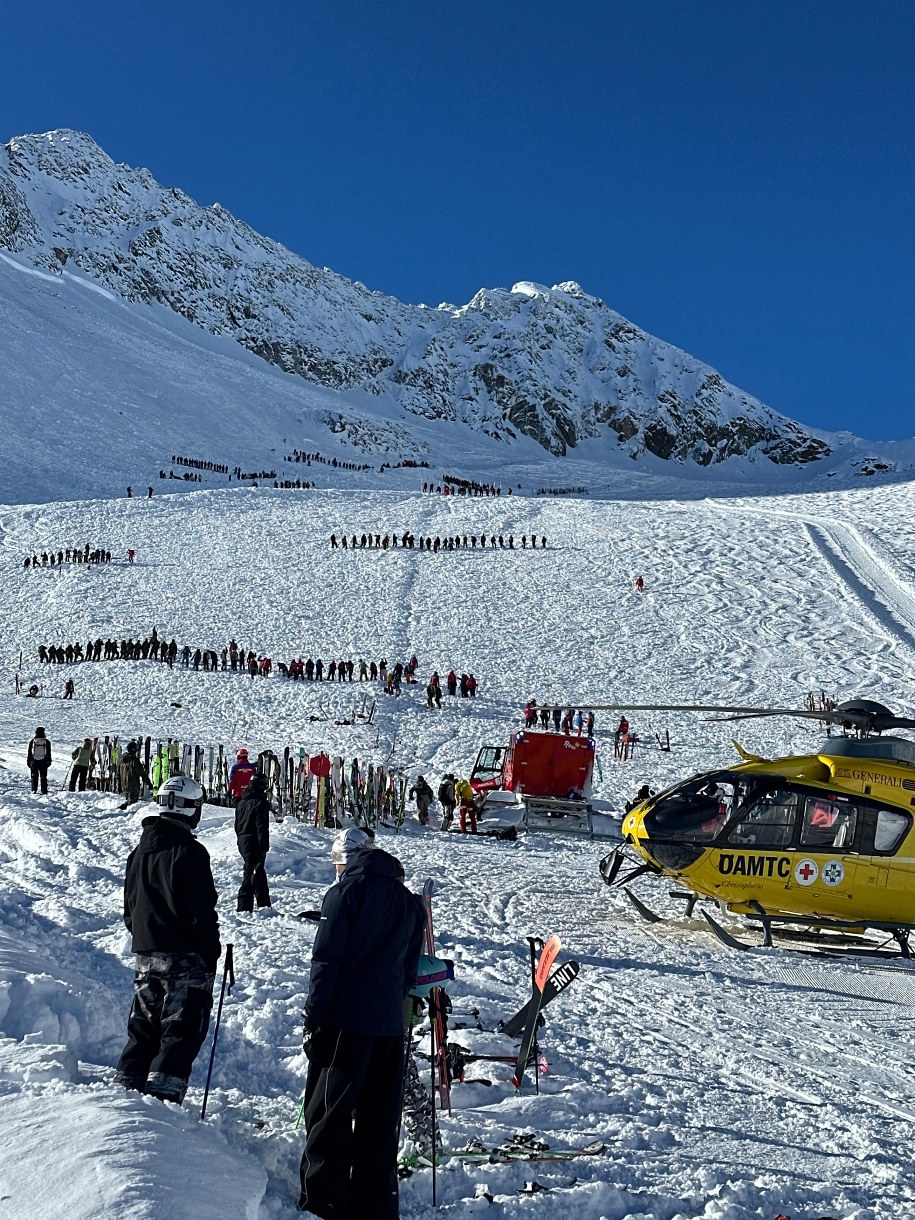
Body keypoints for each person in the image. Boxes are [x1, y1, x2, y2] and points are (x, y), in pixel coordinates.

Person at [298, 828, 425, 1220]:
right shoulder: (410, 903)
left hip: (345, 1024)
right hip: (388, 1024)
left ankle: (325, 1200)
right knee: (379, 1118)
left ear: (348, 859)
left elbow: (327, 963)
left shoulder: (344, 894)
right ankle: (376, 1205)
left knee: (330, 1114)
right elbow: (408, 969)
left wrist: (315, 1020)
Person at [113, 776, 220, 1104]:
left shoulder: (140, 850)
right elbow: (202, 910)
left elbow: (129, 908)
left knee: (143, 1028)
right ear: (192, 810)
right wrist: (209, 952)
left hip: (146, 953)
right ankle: (161, 1108)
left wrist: (146, 937)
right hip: (185, 957)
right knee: (179, 1030)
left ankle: (124, 1095)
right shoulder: (190, 851)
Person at [234, 773, 273, 911]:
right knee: (251, 873)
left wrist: (241, 838)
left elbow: (237, 825)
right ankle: (244, 906)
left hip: (242, 839)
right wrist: (264, 846)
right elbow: (261, 826)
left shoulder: (242, 802)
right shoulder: (260, 803)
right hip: (254, 840)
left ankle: (264, 903)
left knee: (259, 871)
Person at [119, 739, 152, 808]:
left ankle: (122, 811)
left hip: (124, 784)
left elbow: (118, 772)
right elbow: (142, 773)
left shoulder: (122, 760)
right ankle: (125, 815)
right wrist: (148, 783)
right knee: (132, 804)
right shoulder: (134, 761)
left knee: (128, 801)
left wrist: (119, 784)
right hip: (133, 786)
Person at [27, 727, 52, 794]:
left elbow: (29, 752)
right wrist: (49, 761)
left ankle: (34, 789)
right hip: (43, 761)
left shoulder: (32, 741)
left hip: (34, 761)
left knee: (34, 775)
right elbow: (48, 752)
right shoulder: (46, 742)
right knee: (43, 776)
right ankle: (44, 790)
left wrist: (29, 761)